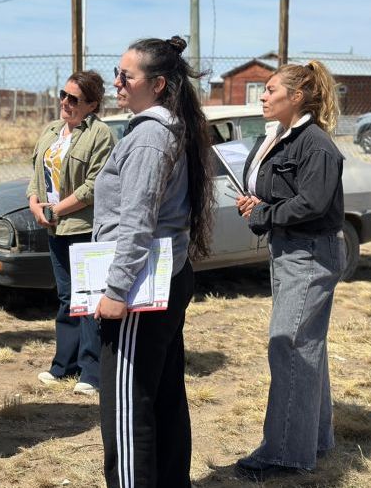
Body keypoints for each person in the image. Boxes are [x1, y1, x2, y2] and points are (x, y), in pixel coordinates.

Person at [93, 36, 214, 488]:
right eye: (117, 73)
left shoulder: (147, 136)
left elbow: (137, 222)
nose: (117, 83)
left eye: (127, 76)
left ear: (158, 84)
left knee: (128, 404)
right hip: (165, 277)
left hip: (139, 288)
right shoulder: (167, 127)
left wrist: (115, 292)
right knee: (162, 395)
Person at [234, 61, 344, 481]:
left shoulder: (314, 144)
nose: (262, 96)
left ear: (296, 96)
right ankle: (313, 439)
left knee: (289, 346)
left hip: (308, 253)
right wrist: (258, 204)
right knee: (305, 346)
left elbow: (312, 203)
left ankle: (284, 453)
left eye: (269, 89)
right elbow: (285, 193)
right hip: (291, 251)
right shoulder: (282, 136)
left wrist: (266, 211)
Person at [27, 70, 115, 396]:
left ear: (91, 104)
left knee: (89, 298)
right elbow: (36, 172)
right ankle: (64, 365)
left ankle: (91, 371)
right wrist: (35, 203)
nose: (65, 102)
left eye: (73, 98)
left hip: (83, 226)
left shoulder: (100, 134)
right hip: (54, 226)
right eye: (63, 95)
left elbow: (95, 184)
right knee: (66, 297)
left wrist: (58, 209)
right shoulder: (52, 130)